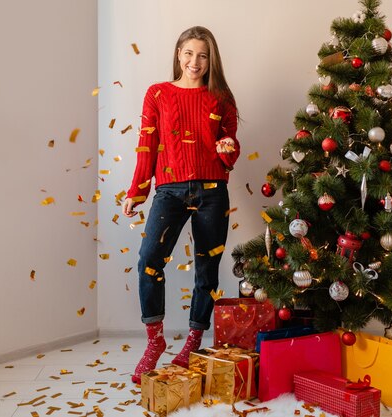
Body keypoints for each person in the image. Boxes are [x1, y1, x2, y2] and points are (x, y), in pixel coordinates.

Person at [122, 26, 240, 384]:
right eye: (189, 53)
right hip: (169, 192)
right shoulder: (157, 94)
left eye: (203, 55)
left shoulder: (221, 97)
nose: (195, 62)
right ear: (178, 54)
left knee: (207, 271)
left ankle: (191, 343)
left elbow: (230, 147)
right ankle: (154, 342)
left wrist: (228, 150)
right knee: (148, 261)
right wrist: (136, 192)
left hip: (212, 191)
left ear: (211, 60)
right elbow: (147, 144)